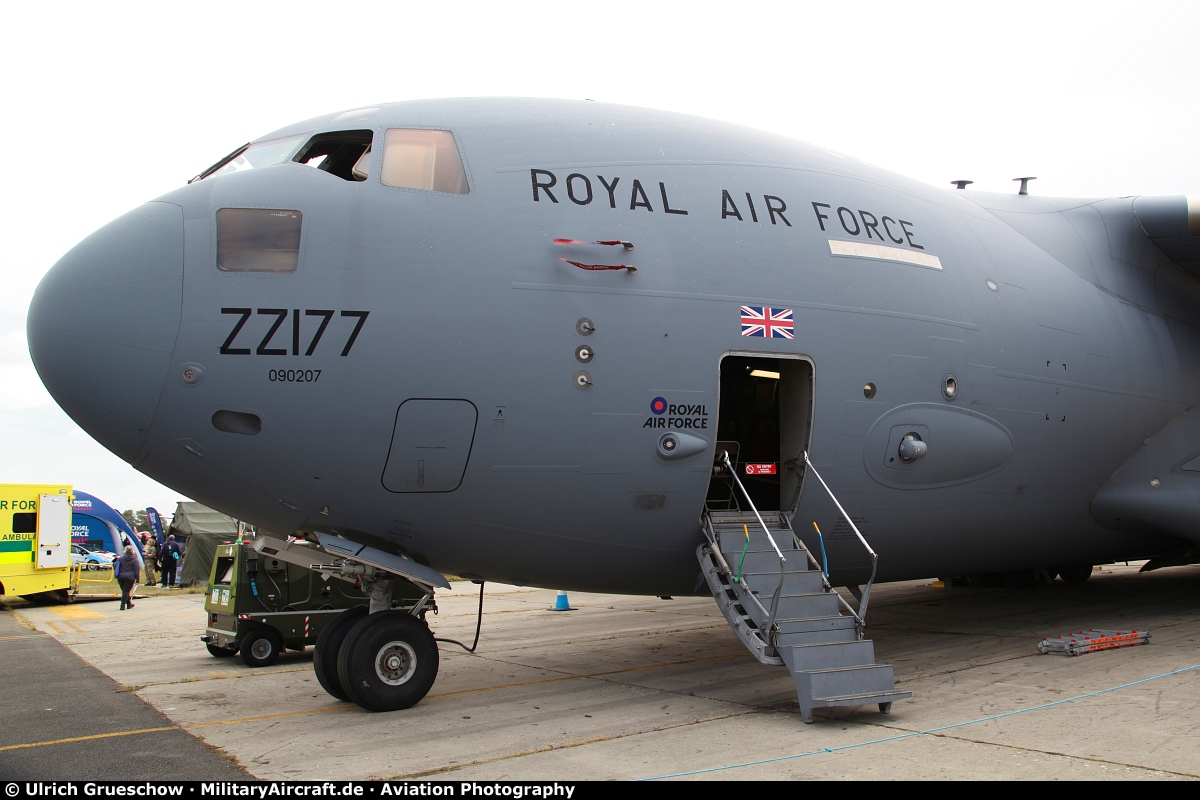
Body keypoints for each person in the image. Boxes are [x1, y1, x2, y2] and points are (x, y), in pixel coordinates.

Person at [115, 545, 139, 610]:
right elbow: (136, 570)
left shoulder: (120, 559)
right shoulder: (135, 560)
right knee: (126, 591)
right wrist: (137, 579)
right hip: (130, 577)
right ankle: (122, 605)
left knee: (125, 591)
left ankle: (129, 604)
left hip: (121, 577)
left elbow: (116, 566)